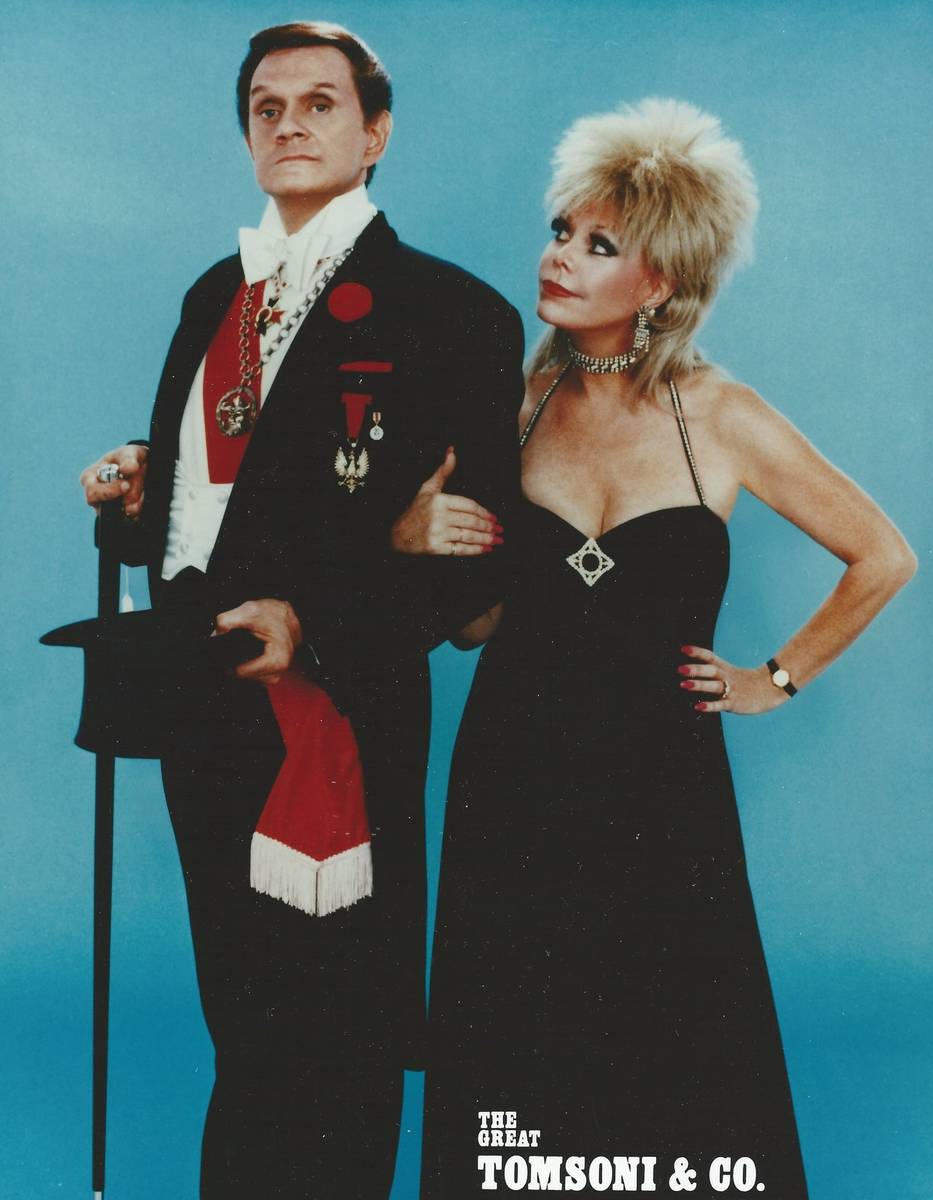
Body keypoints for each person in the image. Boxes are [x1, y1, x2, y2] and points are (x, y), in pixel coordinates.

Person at [391, 100, 917, 1197]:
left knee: (673, 1042)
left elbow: (882, 555)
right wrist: (418, 538)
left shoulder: (719, 414)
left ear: (660, 282)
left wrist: (772, 679)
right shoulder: (511, 407)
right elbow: (475, 626)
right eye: (558, 230)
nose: (558, 257)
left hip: (660, 785)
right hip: (513, 774)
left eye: (598, 244)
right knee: (515, 1048)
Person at [78, 21, 523, 1200]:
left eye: (320, 103)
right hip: (201, 690)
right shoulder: (212, 296)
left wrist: (317, 618)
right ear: (245, 136)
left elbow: (473, 559)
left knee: (342, 1024)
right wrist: (137, 498)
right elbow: (210, 512)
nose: (289, 124)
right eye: (266, 108)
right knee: (243, 1014)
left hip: (337, 700)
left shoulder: (452, 310)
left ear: (375, 135)